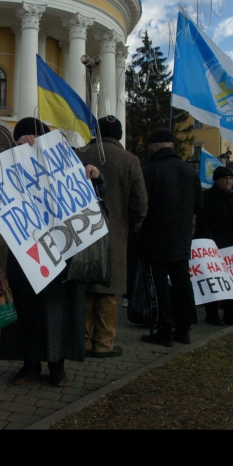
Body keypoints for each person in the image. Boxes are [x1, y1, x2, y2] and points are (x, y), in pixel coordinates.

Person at [0, 119, 96, 386]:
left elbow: (92, 190)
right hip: (26, 249)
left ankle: (57, 364)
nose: (32, 142)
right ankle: (29, 363)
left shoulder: (66, 159)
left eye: (36, 137)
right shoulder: (10, 160)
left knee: (59, 308)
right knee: (26, 307)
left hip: (61, 249)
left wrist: (92, 172)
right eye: (25, 137)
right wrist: (13, 151)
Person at [74, 116, 148, 357]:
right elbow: (140, 203)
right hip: (115, 233)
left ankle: (82, 342)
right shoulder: (130, 160)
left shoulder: (80, 155)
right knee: (108, 291)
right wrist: (130, 228)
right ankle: (103, 344)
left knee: (83, 288)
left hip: (80, 230)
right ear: (118, 134)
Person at [138, 131, 203, 347]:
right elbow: (198, 206)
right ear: (173, 145)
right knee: (182, 280)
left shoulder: (150, 170)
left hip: (155, 236)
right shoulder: (189, 171)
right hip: (182, 236)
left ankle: (164, 328)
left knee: (158, 283)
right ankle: (184, 328)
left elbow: (141, 204)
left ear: (151, 147)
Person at [196, 166, 233, 327]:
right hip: (213, 247)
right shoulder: (207, 197)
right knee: (214, 283)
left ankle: (231, 313)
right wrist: (208, 242)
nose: (228, 181)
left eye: (230, 179)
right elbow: (203, 223)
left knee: (232, 282)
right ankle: (212, 314)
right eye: (225, 178)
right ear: (217, 180)